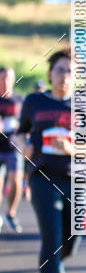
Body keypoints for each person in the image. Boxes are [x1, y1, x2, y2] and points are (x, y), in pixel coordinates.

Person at [16, 50, 80, 273]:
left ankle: (59, 262)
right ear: (50, 74)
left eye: (70, 71)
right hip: (42, 176)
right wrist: (23, 145)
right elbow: (20, 132)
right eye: (60, 70)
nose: (64, 76)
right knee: (51, 238)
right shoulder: (35, 101)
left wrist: (71, 148)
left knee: (71, 239)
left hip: (75, 178)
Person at [0, 66, 24, 233]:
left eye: (8, 78)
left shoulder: (19, 100)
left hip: (13, 148)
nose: (5, 81)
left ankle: (10, 213)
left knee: (16, 181)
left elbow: (27, 122)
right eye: (2, 78)